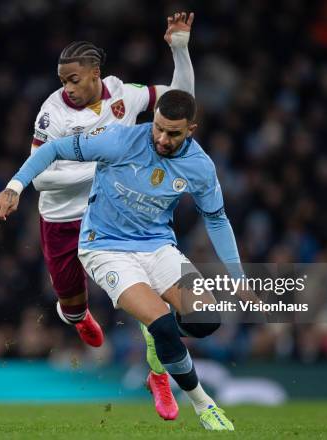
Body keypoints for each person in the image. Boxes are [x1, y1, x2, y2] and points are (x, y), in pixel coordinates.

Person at [0, 90, 258, 430]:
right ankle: (204, 405)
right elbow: (54, 149)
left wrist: (237, 276)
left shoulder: (200, 166)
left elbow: (217, 220)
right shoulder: (119, 140)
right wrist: (14, 187)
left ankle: (158, 350)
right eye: (158, 127)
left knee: (206, 320)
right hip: (105, 247)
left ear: (191, 129)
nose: (162, 138)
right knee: (162, 324)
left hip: (158, 246)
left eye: (173, 133)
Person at [24, 12, 195, 420]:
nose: (67, 88)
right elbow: (40, 179)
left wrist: (180, 50)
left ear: (95, 74)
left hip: (113, 215)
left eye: (73, 80)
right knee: (70, 304)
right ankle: (78, 316)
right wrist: (102, 167)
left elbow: (180, 102)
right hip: (62, 219)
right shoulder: (52, 114)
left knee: (151, 303)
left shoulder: (123, 95)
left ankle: (158, 377)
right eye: (62, 81)